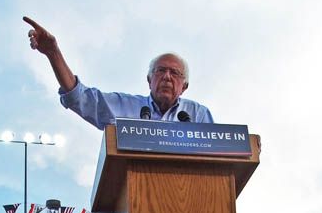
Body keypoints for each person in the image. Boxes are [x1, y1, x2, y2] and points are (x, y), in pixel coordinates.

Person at [24, 16, 213, 129]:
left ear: (185, 86)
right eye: (160, 70)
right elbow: (80, 98)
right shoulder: (126, 108)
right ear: (149, 80)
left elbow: (218, 158)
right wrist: (53, 53)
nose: (166, 77)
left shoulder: (198, 115)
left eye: (175, 73)